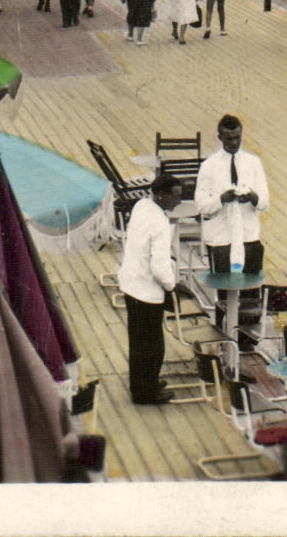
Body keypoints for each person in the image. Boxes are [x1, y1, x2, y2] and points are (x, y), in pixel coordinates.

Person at [118, 173, 182, 405]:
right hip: (146, 291)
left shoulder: (142, 206)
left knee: (138, 343)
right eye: (175, 197)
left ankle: (142, 384)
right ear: (160, 196)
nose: (179, 201)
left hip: (130, 283)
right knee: (153, 346)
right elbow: (159, 266)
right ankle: (147, 393)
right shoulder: (160, 224)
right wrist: (171, 285)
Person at [194, 114, 269, 275]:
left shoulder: (253, 163)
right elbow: (200, 205)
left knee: (251, 289)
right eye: (229, 139)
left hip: (248, 235)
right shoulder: (209, 166)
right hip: (221, 237)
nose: (234, 143)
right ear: (220, 138)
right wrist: (221, 199)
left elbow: (265, 202)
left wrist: (252, 197)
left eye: (237, 138)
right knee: (224, 290)